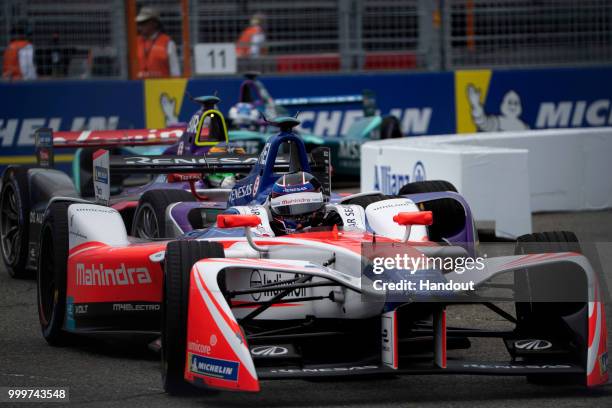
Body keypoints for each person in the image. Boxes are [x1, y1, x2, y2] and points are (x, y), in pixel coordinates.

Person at [135, 6, 180, 78]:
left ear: (155, 23)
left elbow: (175, 71)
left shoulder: (167, 42)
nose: (140, 26)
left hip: (161, 87)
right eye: (139, 23)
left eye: (144, 23)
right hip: (139, 86)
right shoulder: (134, 42)